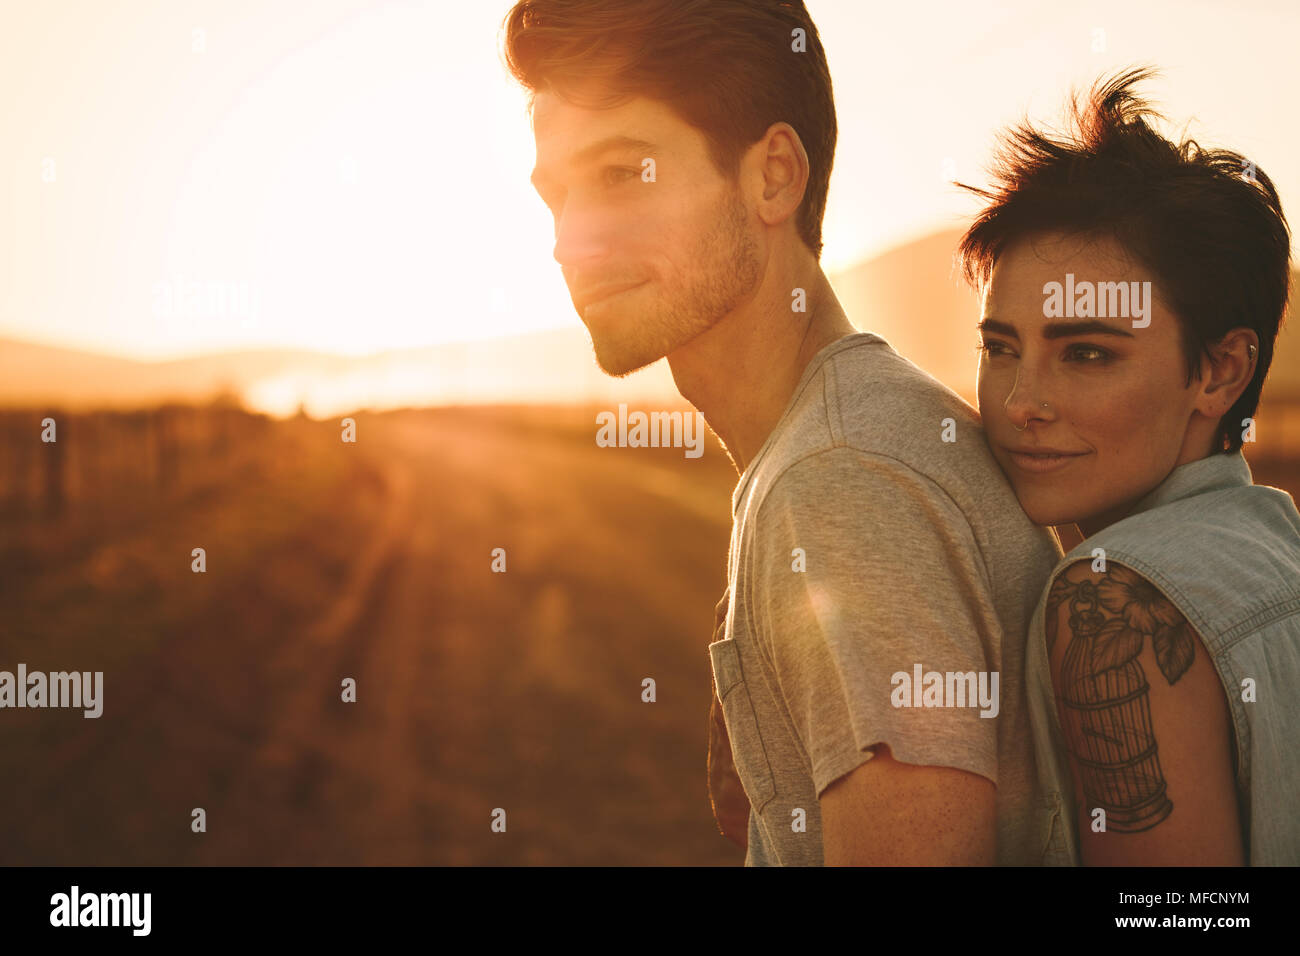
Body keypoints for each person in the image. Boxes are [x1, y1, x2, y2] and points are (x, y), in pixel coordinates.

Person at [503, 0, 1060, 865]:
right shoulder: (841, 440)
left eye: (622, 174)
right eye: (557, 195)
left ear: (773, 176)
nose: (569, 242)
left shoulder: (841, 480)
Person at [959, 67, 1300, 865]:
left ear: (1218, 372)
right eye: (1000, 347)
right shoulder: (1280, 543)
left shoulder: (1111, 590)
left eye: (1086, 352)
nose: (1020, 404)